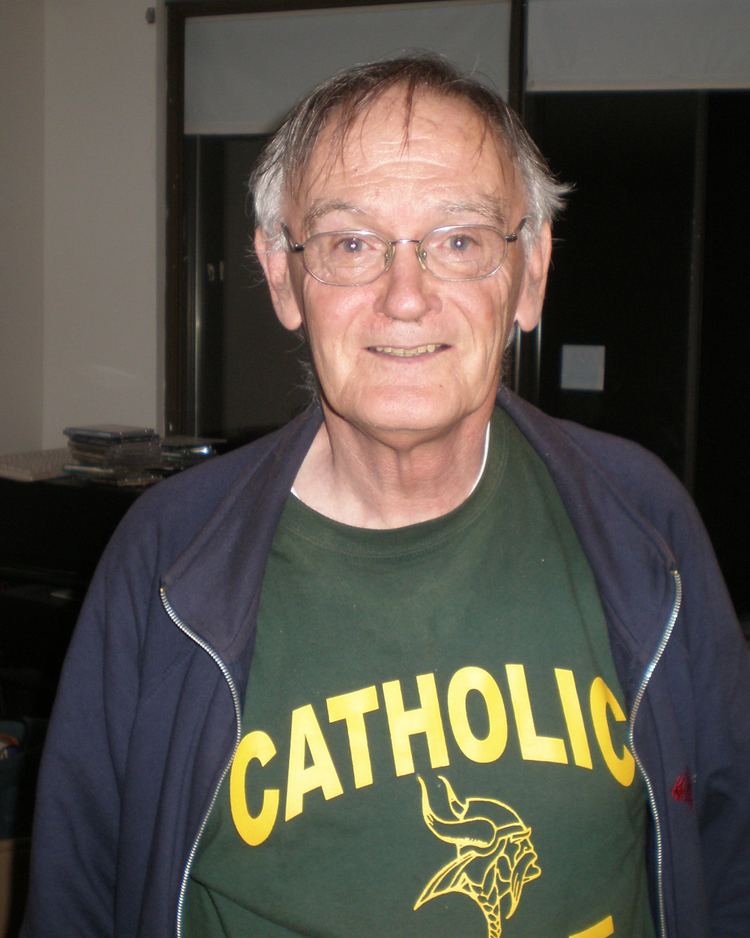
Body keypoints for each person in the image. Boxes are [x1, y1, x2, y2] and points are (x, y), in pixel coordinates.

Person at [22, 55, 750, 938]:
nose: (405, 298)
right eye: (351, 244)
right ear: (283, 277)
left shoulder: (646, 522)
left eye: (459, 241)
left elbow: (730, 850)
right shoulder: (167, 561)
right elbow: (77, 897)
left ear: (531, 272)